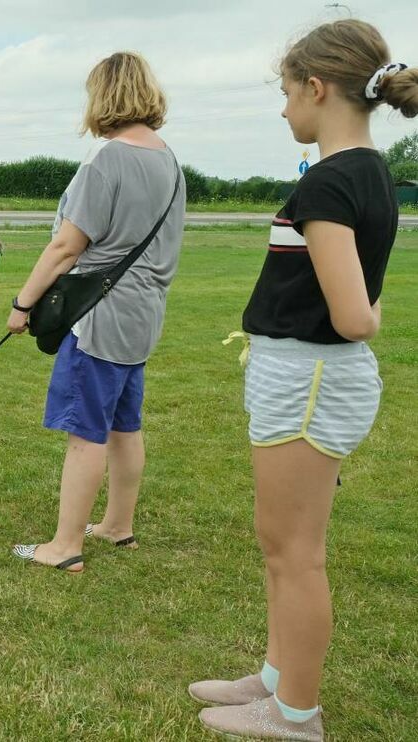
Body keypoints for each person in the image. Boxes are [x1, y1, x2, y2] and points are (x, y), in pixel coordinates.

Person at [191, 20, 415, 741]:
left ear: (316, 89)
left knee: (296, 553)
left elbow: (357, 315)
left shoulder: (328, 181)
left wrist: (355, 325)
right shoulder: (368, 173)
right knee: (279, 543)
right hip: (309, 375)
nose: (285, 108)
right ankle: (276, 677)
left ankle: (295, 714)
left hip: (312, 377)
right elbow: (363, 292)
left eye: (288, 93)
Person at [5, 52, 186, 572]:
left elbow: (67, 246)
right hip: (144, 315)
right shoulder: (168, 159)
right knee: (124, 427)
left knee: (87, 433)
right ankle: (117, 524)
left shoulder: (107, 159)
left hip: (101, 319)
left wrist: (23, 303)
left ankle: (64, 548)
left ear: (103, 96)